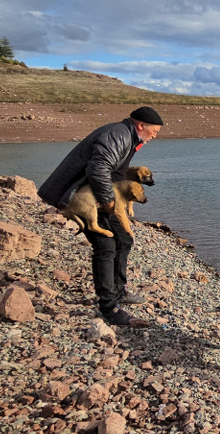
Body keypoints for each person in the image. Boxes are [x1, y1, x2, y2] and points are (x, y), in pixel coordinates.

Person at [39, 106, 163, 327]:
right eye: (154, 131)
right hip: (88, 198)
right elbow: (98, 168)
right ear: (141, 125)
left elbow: (113, 169)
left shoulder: (127, 136)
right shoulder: (118, 134)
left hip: (99, 195)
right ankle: (109, 307)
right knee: (106, 245)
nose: (155, 135)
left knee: (124, 239)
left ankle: (118, 291)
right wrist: (108, 202)